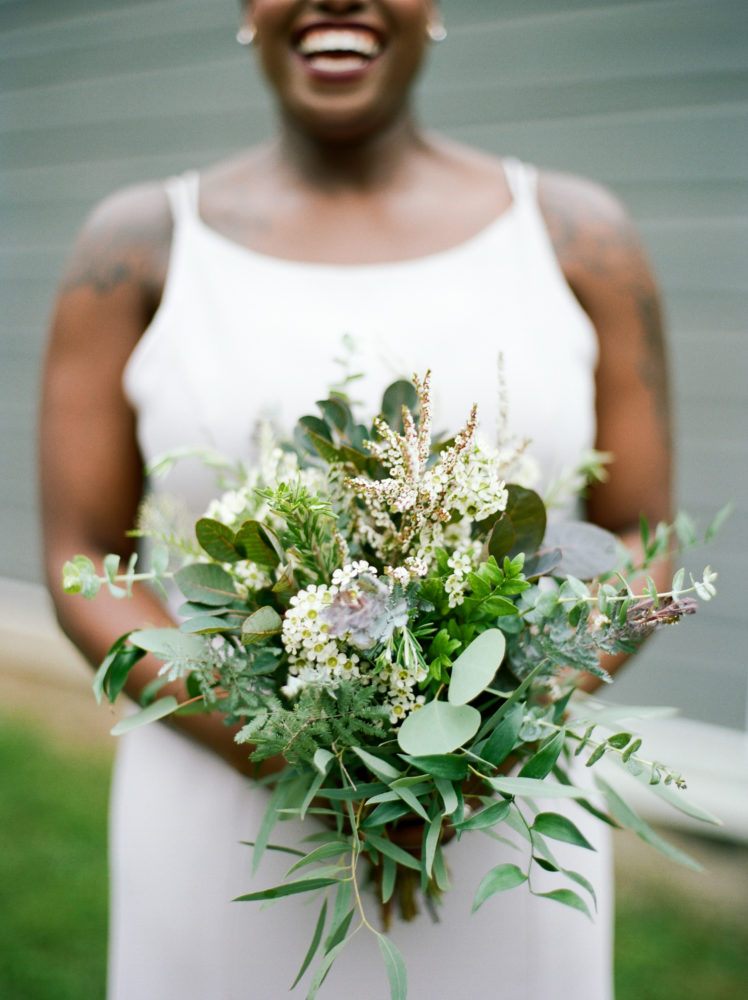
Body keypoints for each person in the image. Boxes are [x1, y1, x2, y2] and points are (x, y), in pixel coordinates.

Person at [40, 1, 671, 997]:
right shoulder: (134, 246)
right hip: (225, 807)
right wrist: (297, 751)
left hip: (496, 813)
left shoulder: (581, 237)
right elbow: (80, 559)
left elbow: (643, 533)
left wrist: (478, 742)